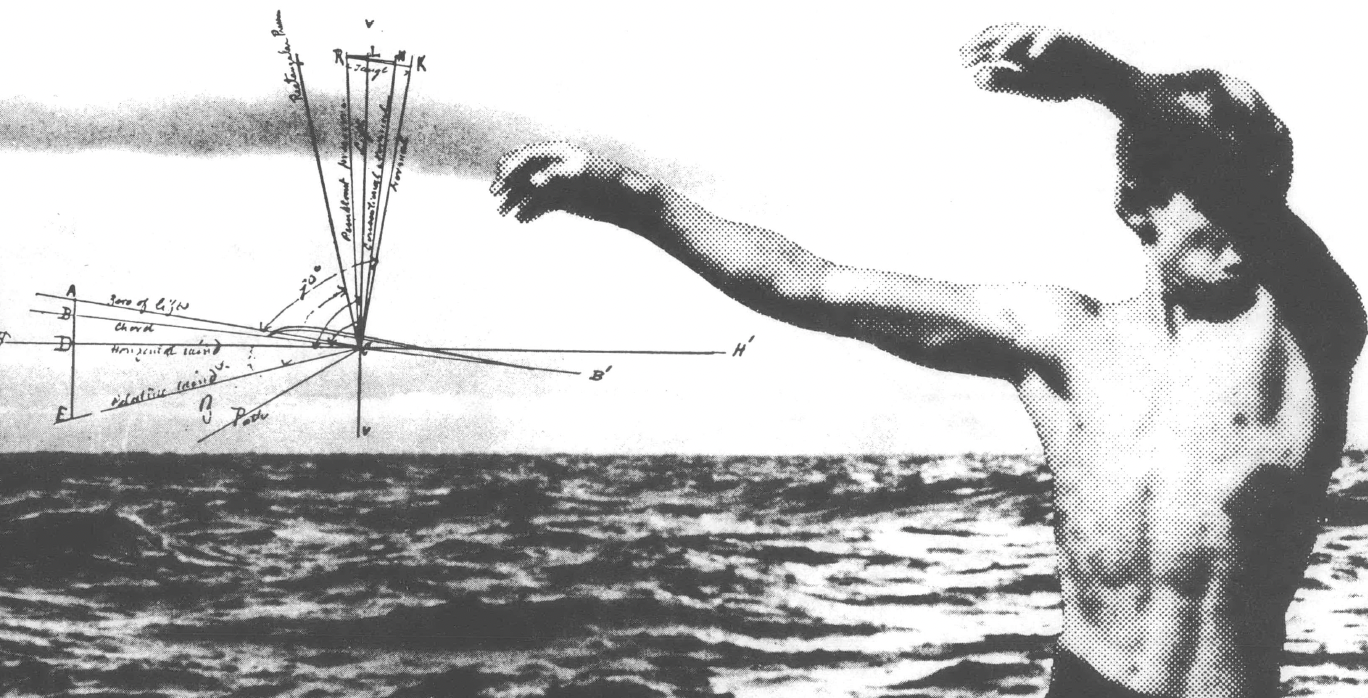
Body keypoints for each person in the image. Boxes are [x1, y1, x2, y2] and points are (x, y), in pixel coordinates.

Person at [489, 24, 1366, 698]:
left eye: (1262, 185)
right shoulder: (1062, 340)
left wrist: (1108, 81)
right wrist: (632, 199)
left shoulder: (1312, 337)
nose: (1258, 208)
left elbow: (1244, 201)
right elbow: (811, 283)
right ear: (1134, 200)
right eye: (1219, 180)